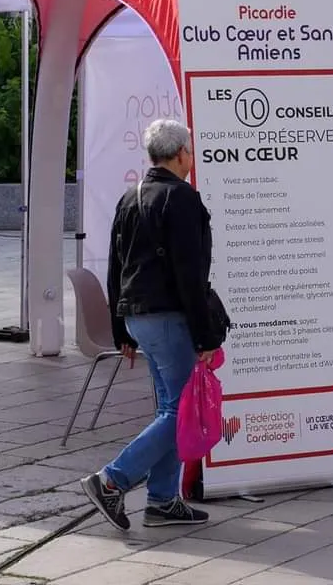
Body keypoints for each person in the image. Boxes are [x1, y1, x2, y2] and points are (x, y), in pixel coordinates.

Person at [82, 119, 223, 529]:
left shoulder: (131, 197)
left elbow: (115, 266)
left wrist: (120, 326)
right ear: (181, 153)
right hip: (168, 317)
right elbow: (189, 274)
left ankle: (162, 499)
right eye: (191, 150)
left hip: (138, 315)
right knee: (181, 412)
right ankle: (112, 480)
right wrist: (206, 333)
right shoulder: (182, 199)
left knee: (170, 408)